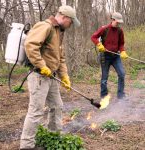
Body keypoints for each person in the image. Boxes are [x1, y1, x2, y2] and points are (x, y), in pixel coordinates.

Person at [20, 5, 80, 150]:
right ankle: (26, 146)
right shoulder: (45, 26)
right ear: (65, 17)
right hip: (39, 76)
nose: (70, 25)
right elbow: (30, 45)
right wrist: (42, 65)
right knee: (36, 111)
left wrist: (65, 76)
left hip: (51, 77)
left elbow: (61, 58)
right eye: (71, 22)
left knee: (57, 106)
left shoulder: (58, 32)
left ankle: (53, 137)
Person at [91, 12, 128, 99]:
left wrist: (122, 51)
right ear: (112, 19)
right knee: (104, 78)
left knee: (122, 74)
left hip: (116, 57)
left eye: (119, 22)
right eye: (117, 21)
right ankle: (104, 96)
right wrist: (99, 45)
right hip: (105, 57)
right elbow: (93, 37)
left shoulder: (120, 31)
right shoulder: (105, 29)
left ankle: (121, 95)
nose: (118, 23)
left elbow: (121, 43)